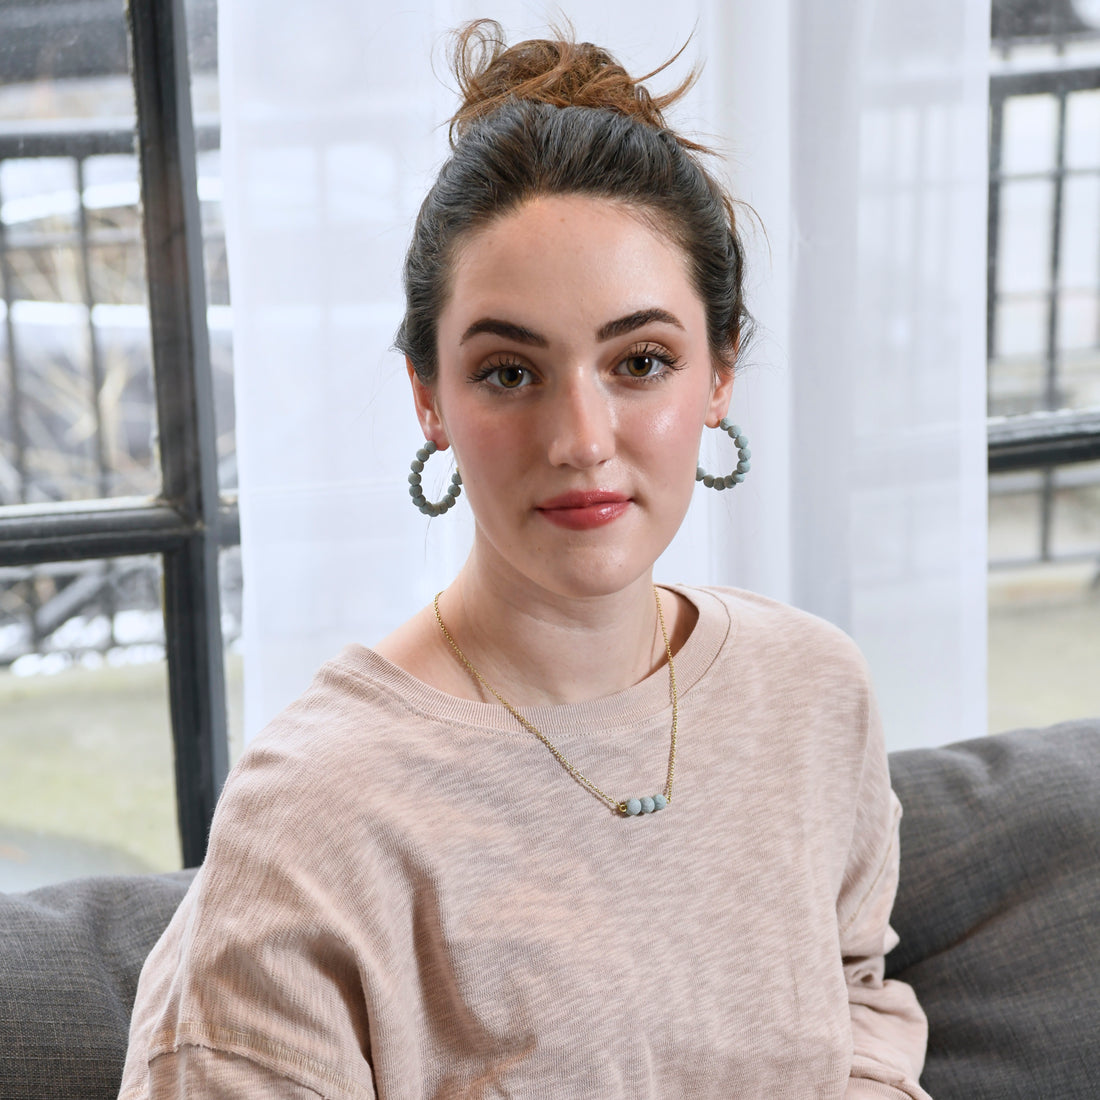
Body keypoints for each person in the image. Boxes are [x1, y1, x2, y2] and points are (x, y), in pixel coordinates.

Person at [119, 21, 931, 1099]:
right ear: (429, 398)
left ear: (721, 371)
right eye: (509, 372)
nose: (582, 438)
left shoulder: (814, 691)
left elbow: (859, 997)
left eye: (640, 360)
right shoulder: (315, 816)